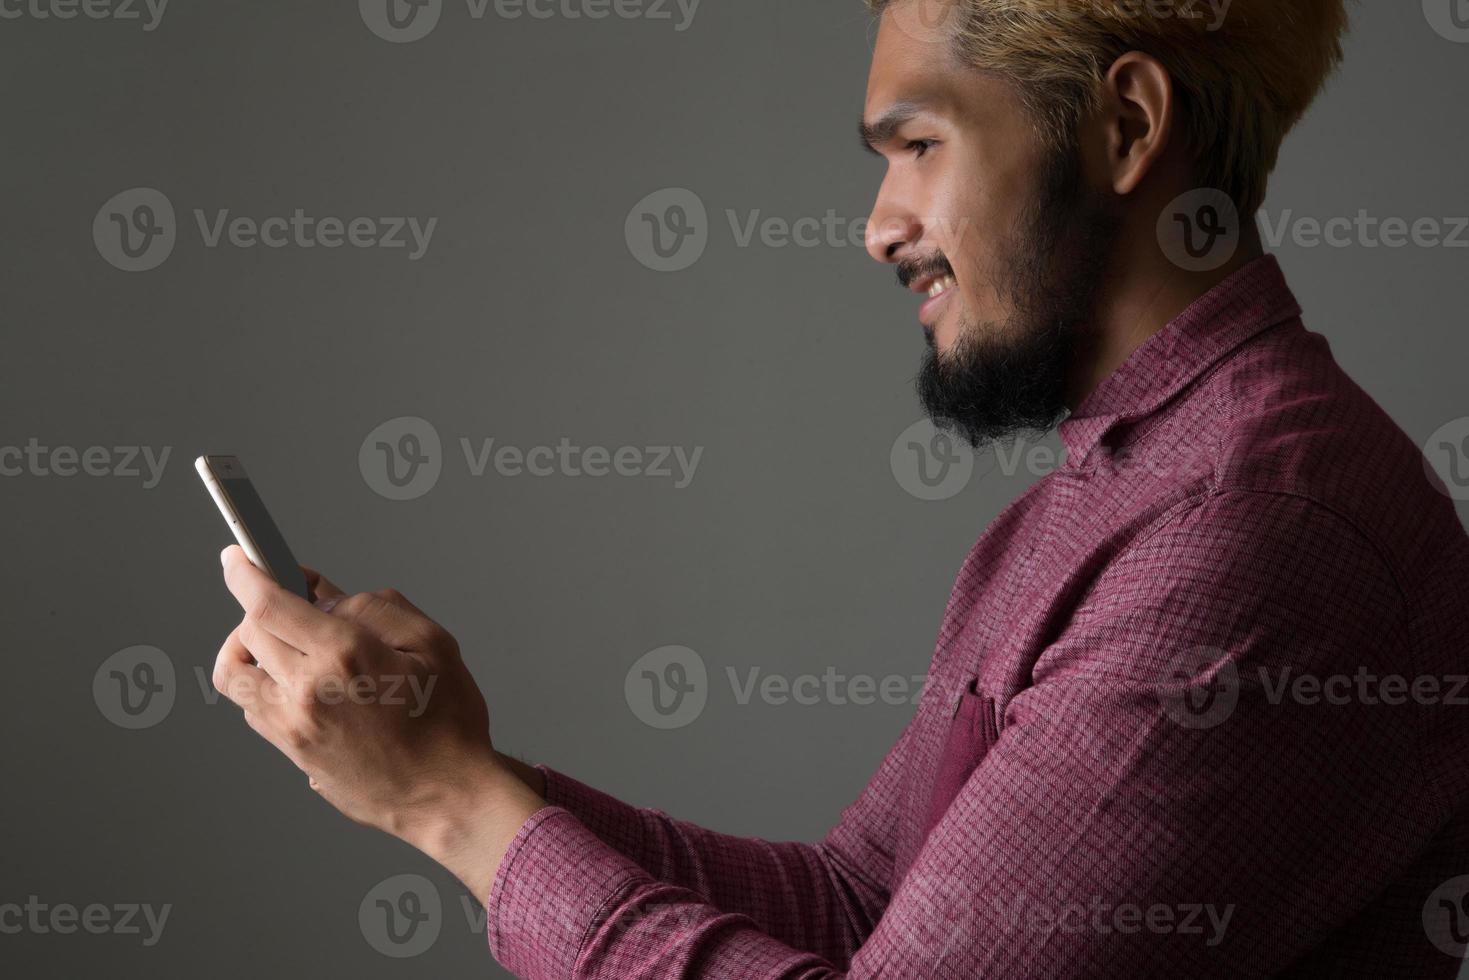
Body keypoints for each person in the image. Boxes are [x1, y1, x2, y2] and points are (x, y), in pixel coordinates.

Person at [211, 1, 1469, 975]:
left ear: (1125, 128)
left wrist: (450, 804)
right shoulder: (1122, 491)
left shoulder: (1252, 535)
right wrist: (448, 759)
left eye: (919, 144)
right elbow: (859, 901)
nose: (877, 224)